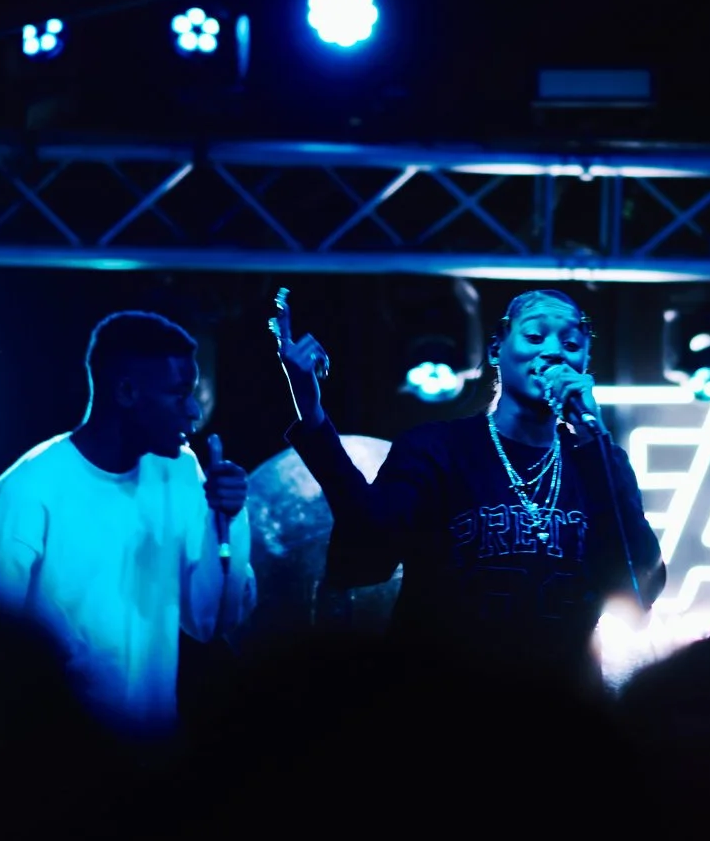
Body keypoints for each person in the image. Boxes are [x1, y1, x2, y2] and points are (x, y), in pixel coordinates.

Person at [271, 287, 662, 693]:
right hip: (444, 707)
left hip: (560, 714)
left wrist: (593, 440)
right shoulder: (439, 448)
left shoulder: (599, 462)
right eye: (534, 336)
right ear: (496, 348)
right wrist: (313, 415)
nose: (553, 352)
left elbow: (640, 587)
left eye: (571, 344)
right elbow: (371, 540)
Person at [0, 310, 253, 730]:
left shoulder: (179, 471)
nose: (193, 411)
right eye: (179, 393)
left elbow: (210, 621)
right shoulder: (24, 494)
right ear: (127, 392)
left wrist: (229, 521)